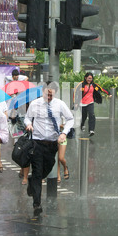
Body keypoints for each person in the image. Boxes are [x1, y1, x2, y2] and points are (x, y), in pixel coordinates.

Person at [24, 82, 74, 215]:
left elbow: (70, 119)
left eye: (51, 94)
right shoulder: (35, 104)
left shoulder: (60, 104)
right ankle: (37, 204)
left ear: (55, 93)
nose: (49, 96)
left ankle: (32, 182)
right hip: (37, 143)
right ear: (43, 92)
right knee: (37, 171)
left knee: (48, 167)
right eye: (47, 94)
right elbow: (27, 118)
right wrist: (29, 125)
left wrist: (64, 133)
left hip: (52, 144)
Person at [73, 72, 111, 137]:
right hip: (82, 103)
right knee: (84, 116)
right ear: (85, 78)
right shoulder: (80, 85)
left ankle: (91, 130)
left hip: (90, 102)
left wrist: (108, 93)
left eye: (91, 78)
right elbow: (75, 93)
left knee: (92, 115)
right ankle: (82, 125)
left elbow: (101, 89)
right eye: (88, 78)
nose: (89, 80)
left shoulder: (94, 85)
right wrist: (75, 103)